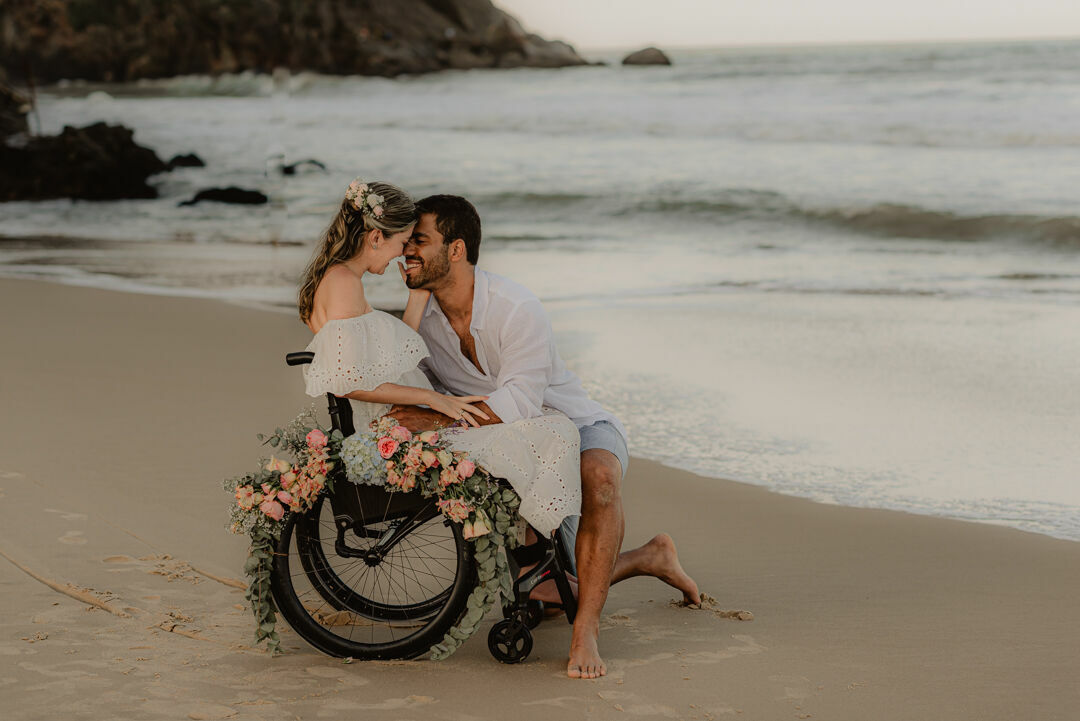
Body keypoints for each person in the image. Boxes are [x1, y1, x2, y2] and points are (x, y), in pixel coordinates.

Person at [388, 194, 701, 680]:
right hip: (503, 443)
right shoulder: (422, 320)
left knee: (599, 478)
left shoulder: (515, 307)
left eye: (419, 241)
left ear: (456, 249)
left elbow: (521, 402)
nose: (407, 251)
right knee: (548, 591)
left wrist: (442, 420)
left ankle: (587, 632)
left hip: (575, 427)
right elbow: (403, 389)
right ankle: (649, 557)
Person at [298, 178, 582, 549]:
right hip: (400, 426)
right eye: (402, 242)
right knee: (555, 433)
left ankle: (539, 552)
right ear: (375, 238)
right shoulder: (343, 284)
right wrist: (433, 400)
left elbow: (391, 358)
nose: (402, 255)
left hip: (403, 417)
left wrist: (416, 297)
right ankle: (538, 551)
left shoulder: (340, 279)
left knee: (543, 427)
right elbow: (345, 381)